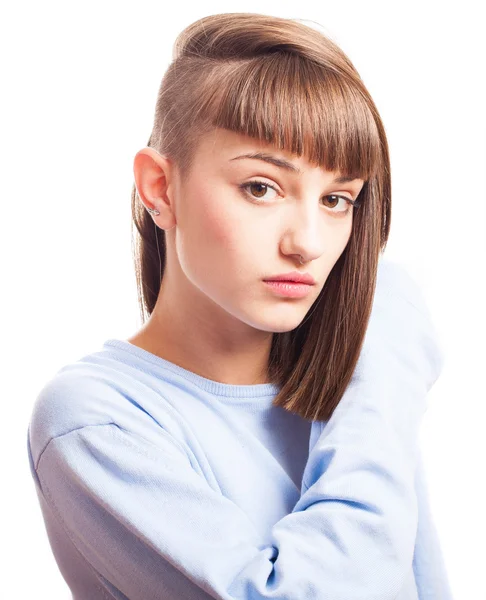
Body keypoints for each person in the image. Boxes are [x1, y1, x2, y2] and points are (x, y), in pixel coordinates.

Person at [26, 12, 453, 600]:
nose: (307, 242)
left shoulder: (350, 385)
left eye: (336, 199)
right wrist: (384, 367)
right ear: (160, 187)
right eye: (261, 187)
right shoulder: (96, 419)